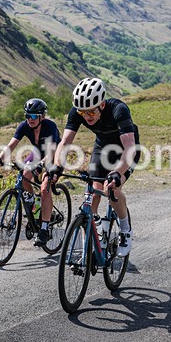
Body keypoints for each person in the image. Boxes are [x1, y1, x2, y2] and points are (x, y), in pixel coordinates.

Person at [47, 78, 140, 257]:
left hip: (126, 150)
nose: (87, 117)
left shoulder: (118, 110)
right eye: (83, 113)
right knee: (93, 190)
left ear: (102, 104)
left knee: (111, 190)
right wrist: (57, 166)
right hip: (102, 147)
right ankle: (89, 240)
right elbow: (65, 141)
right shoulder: (77, 112)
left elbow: (129, 148)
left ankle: (125, 230)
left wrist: (117, 173)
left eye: (91, 112)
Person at [0, 98, 60, 247]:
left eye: (34, 116)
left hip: (53, 154)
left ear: (42, 116)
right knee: (24, 178)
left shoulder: (50, 126)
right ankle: (35, 205)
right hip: (37, 152)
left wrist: (41, 165)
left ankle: (44, 228)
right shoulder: (24, 126)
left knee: (44, 188)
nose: (30, 119)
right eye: (27, 115)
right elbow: (11, 145)